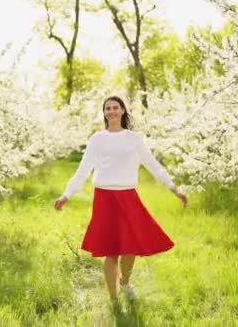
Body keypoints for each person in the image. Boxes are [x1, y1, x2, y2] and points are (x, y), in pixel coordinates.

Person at [54, 95, 188, 307]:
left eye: (116, 107)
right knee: (110, 251)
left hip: (128, 196)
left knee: (130, 248)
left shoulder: (133, 138)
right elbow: (83, 171)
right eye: (108, 108)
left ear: (123, 110)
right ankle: (114, 299)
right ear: (104, 112)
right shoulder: (97, 139)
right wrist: (66, 195)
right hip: (104, 198)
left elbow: (153, 165)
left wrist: (174, 188)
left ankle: (124, 282)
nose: (112, 111)